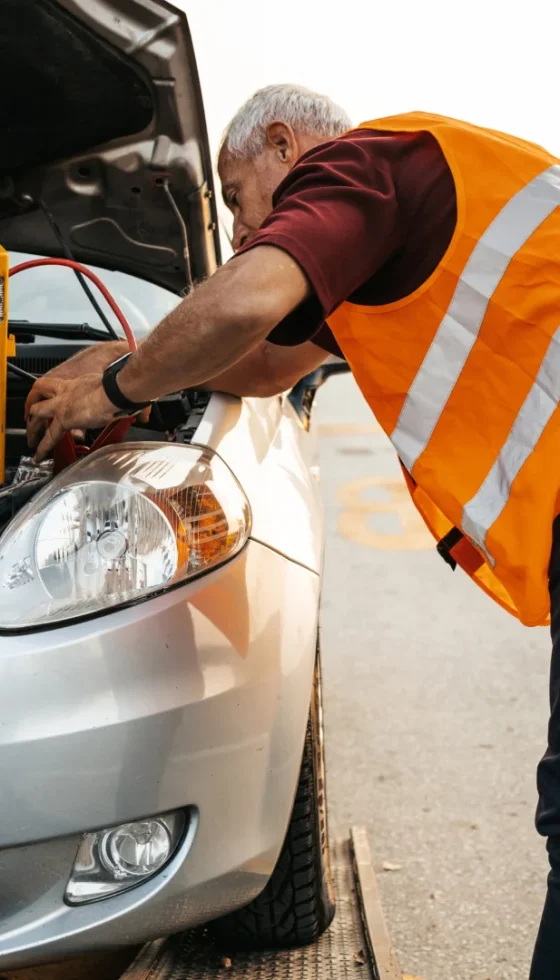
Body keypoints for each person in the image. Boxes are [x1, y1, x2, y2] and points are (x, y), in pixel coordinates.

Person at [24, 85, 560, 977]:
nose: (239, 229)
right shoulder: (388, 239)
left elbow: (245, 302)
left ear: (283, 145)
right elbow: (271, 360)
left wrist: (112, 392)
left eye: (237, 197)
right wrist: (126, 363)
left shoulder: (365, 169)